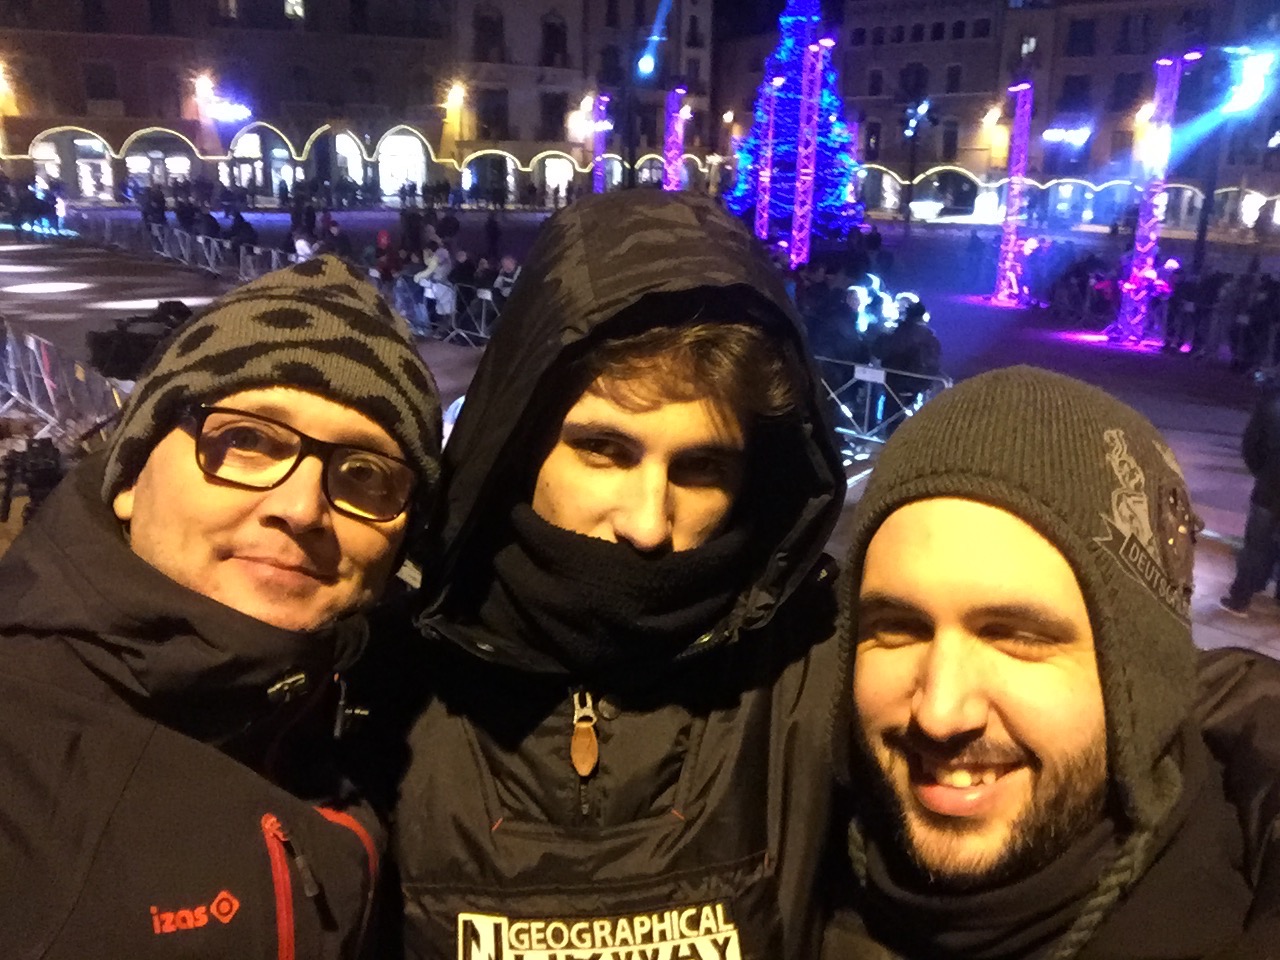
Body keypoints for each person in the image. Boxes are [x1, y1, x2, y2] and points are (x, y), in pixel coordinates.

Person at [381, 190, 847, 960]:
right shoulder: (386, 680)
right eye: (605, 451)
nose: (647, 522)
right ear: (521, 441)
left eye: (701, 468)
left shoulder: (815, 670)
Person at [0, 255, 443, 958]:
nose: (302, 508)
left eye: (364, 474)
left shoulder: (373, 706)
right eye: (246, 439)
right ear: (130, 474)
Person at [825, 365, 1280, 960]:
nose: (939, 714)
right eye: (897, 628)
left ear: (1140, 673)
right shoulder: (791, 862)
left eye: (1016, 638)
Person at [1220, 382, 1280, 616]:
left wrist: (1263, 472)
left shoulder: (1271, 403)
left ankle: (1241, 597)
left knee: (1255, 546)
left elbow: (1251, 446)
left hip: (1269, 486)